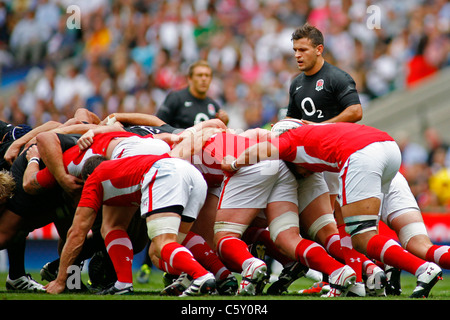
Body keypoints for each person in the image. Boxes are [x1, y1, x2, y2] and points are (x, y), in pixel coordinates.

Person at [224, 122, 443, 298]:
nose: (303, 175)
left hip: (361, 158)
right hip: (388, 149)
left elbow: (264, 149)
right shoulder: (319, 134)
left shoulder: (290, 141)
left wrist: (232, 164)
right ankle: (380, 271)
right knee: (420, 245)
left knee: (360, 236)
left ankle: (420, 269)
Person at [45, 136, 218, 296]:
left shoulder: (94, 178)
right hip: (191, 173)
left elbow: (77, 232)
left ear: (87, 177)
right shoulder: (119, 167)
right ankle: (215, 275)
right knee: (171, 245)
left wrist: (61, 281)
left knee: (162, 244)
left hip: (164, 173)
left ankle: (201, 275)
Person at [196, 129, 357, 297]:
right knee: (287, 238)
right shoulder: (235, 134)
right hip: (281, 165)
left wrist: (235, 164)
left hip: (253, 162)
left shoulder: (188, 145)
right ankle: (338, 270)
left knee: (224, 236)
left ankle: (250, 265)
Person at [285, 23, 378, 294]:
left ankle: (355, 274)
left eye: (303, 50)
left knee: (333, 224)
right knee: (322, 225)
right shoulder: (296, 84)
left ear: (319, 49)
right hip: (313, 163)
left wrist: (320, 128)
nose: (297, 55)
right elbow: (292, 120)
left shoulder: (337, 77)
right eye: (294, 50)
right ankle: (346, 275)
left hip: (339, 161)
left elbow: (356, 111)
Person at [156, 60, 229, 128]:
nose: (204, 79)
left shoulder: (213, 106)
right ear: (190, 78)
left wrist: (223, 124)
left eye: (207, 76)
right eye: (199, 75)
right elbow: (158, 124)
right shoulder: (176, 98)